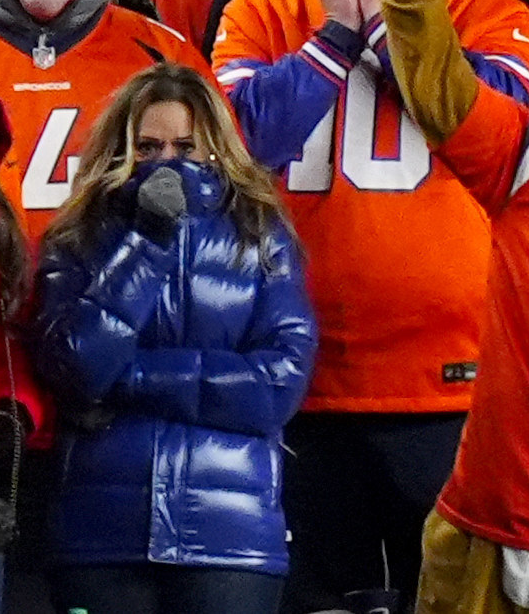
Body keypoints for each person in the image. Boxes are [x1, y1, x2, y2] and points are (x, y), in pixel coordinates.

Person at [31, 66, 318, 612]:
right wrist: (149, 240)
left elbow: (279, 384)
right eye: (149, 147)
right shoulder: (78, 235)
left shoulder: (261, 234)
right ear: (122, 151)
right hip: (101, 535)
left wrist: (130, 377)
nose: (170, 164)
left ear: (216, 150)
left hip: (230, 539)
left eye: (186, 147)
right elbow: (78, 366)